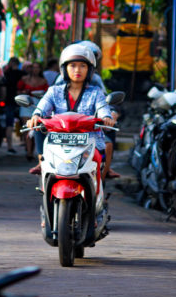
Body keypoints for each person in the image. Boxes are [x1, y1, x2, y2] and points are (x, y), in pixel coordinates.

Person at [26, 44, 115, 191]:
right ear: (64, 69)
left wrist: (106, 117)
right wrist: (36, 116)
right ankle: (44, 178)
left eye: (82, 66)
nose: (77, 70)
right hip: (58, 142)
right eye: (72, 65)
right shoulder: (54, 91)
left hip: (88, 141)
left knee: (99, 161)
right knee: (46, 159)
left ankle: (98, 193)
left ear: (90, 69)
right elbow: (43, 105)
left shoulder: (96, 92)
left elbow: (102, 107)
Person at [17, 62, 48, 161]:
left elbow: (47, 96)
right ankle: (29, 151)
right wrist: (23, 93)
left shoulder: (43, 81)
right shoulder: (24, 79)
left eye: (37, 67)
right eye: (33, 68)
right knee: (28, 127)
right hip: (26, 102)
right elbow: (17, 91)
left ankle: (32, 149)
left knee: (36, 128)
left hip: (38, 105)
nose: (35, 70)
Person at [2, 57, 26, 153]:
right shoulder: (23, 74)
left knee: (9, 123)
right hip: (22, 100)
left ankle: (10, 146)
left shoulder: (7, 74)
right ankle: (25, 143)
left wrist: (2, 100)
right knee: (25, 122)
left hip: (9, 100)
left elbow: (3, 88)